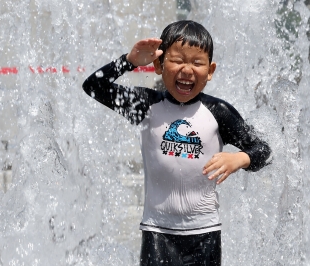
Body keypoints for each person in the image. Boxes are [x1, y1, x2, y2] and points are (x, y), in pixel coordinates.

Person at [82, 20, 271, 266]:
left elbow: (263, 150)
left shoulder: (219, 112)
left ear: (210, 70)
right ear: (159, 64)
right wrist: (128, 61)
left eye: (197, 62)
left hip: (205, 233)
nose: (187, 70)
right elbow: (93, 86)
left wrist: (240, 158)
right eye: (178, 60)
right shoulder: (146, 105)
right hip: (158, 233)